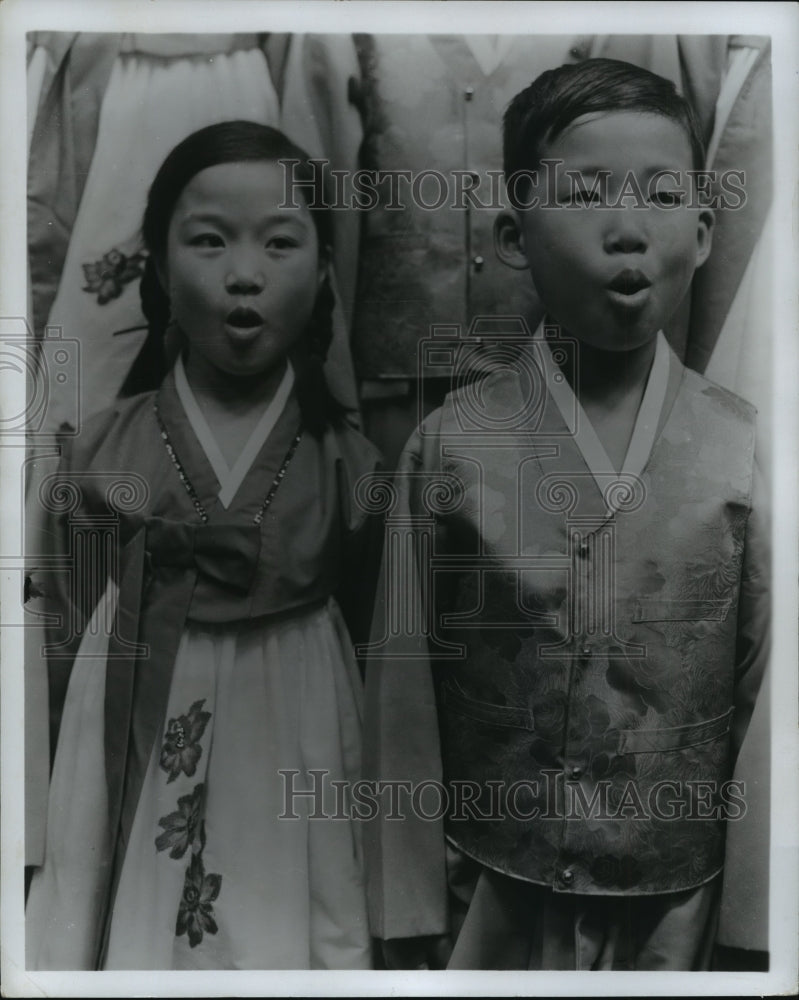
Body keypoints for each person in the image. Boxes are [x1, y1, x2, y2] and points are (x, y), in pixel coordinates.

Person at [362, 59, 769, 971]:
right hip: (492, 902)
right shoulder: (451, 445)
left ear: (703, 233)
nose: (628, 230)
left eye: (663, 196)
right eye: (585, 195)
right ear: (513, 233)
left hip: (681, 916)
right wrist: (404, 909)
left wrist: (755, 924)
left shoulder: (746, 450)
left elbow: (763, 701)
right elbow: (400, 692)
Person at [25, 121, 382, 971]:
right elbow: (60, 632)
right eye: (209, 241)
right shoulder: (96, 450)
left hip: (297, 711)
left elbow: (378, 640)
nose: (244, 273)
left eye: (280, 242)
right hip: (128, 703)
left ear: (325, 269)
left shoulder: (351, 463)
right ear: (156, 264)